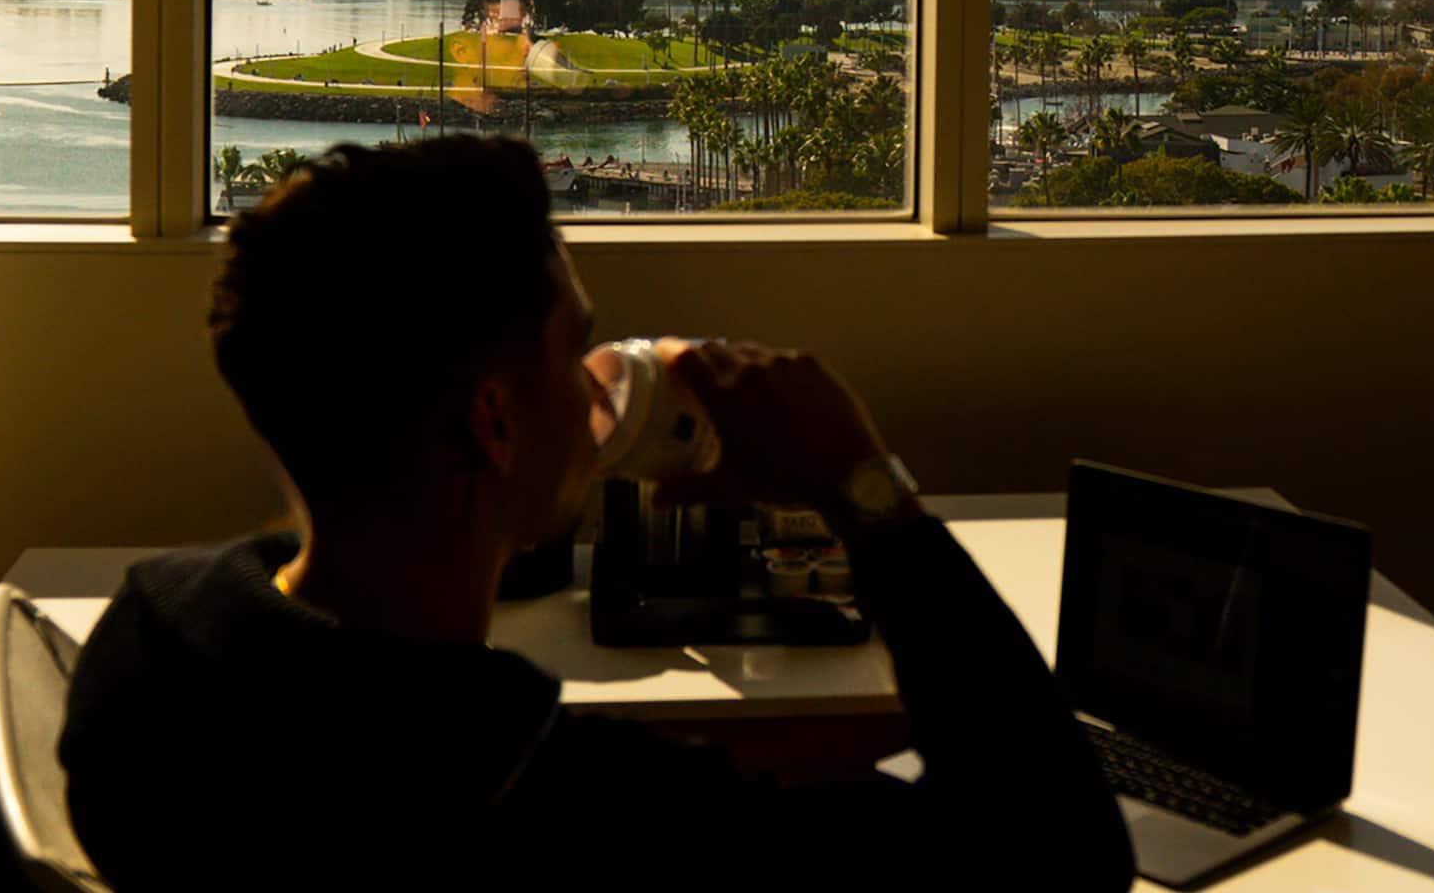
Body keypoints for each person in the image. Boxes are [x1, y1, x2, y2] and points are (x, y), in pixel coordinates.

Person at [58, 136, 1132, 892]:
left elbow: (376, 563)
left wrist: (518, 511)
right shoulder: (563, 812)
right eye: (572, 349)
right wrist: (866, 490)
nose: (596, 386)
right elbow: (1060, 855)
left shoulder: (153, 637)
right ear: (494, 422)